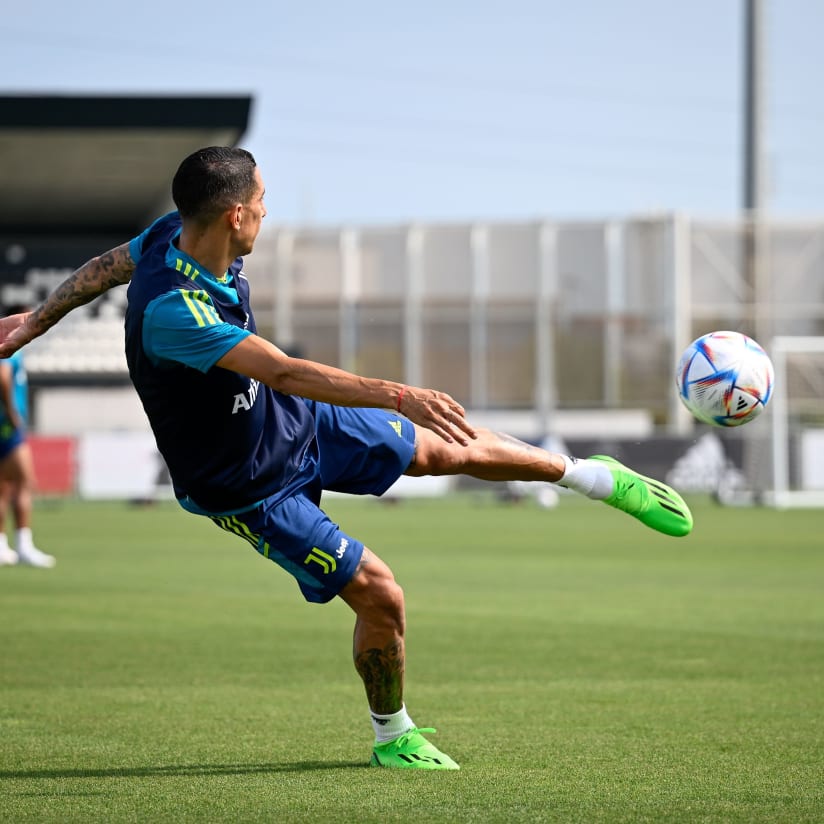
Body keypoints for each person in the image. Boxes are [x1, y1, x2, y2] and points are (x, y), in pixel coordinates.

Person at [0, 147, 692, 769]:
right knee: (381, 594)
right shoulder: (175, 311)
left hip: (289, 422)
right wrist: (397, 394)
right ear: (236, 215)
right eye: (264, 203)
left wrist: (32, 323)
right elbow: (284, 372)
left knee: (441, 449)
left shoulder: (167, 237)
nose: (267, 214)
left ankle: (595, 477)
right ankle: (393, 733)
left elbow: (98, 270)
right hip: (247, 487)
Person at [0, 305, 56, 568]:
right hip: (7, 427)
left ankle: (3, 546)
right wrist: (12, 413)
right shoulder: (9, 346)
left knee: (4, 487)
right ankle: (24, 545)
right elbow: (3, 376)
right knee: (23, 482)